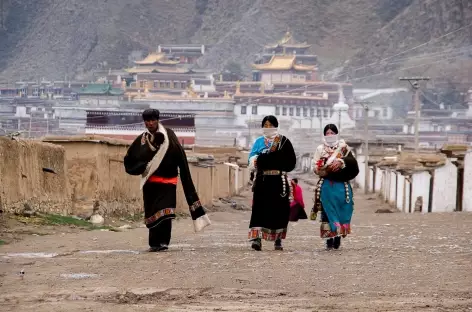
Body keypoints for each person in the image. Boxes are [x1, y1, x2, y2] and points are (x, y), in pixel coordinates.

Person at [124, 109, 211, 252]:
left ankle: (164, 242)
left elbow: (179, 155)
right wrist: (150, 150)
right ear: (144, 122)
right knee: (153, 213)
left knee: (165, 212)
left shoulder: (169, 135)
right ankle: (154, 243)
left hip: (168, 182)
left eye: (153, 120)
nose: (150, 123)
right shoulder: (142, 140)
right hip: (151, 183)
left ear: (158, 120)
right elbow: (131, 160)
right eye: (147, 121)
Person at [248, 115, 296, 251]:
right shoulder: (258, 142)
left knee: (279, 210)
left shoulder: (284, 142)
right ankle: (257, 239)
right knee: (259, 209)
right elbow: (252, 160)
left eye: (271, 125)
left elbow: (290, 162)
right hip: (263, 180)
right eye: (266, 125)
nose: (268, 128)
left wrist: (264, 159)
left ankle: (278, 239)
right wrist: (266, 160)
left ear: (276, 126)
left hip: (279, 181)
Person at [310, 124, 359, 250]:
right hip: (327, 185)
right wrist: (320, 167)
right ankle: (329, 239)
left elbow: (353, 163)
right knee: (327, 211)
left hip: (342, 186)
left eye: (332, 132)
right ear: (324, 134)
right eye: (327, 133)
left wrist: (342, 162)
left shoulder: (344, 148)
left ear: (336, 134)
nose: (330, 135)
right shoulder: (320, 149)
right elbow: (314, 165)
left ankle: (337, 237)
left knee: (341, 211)